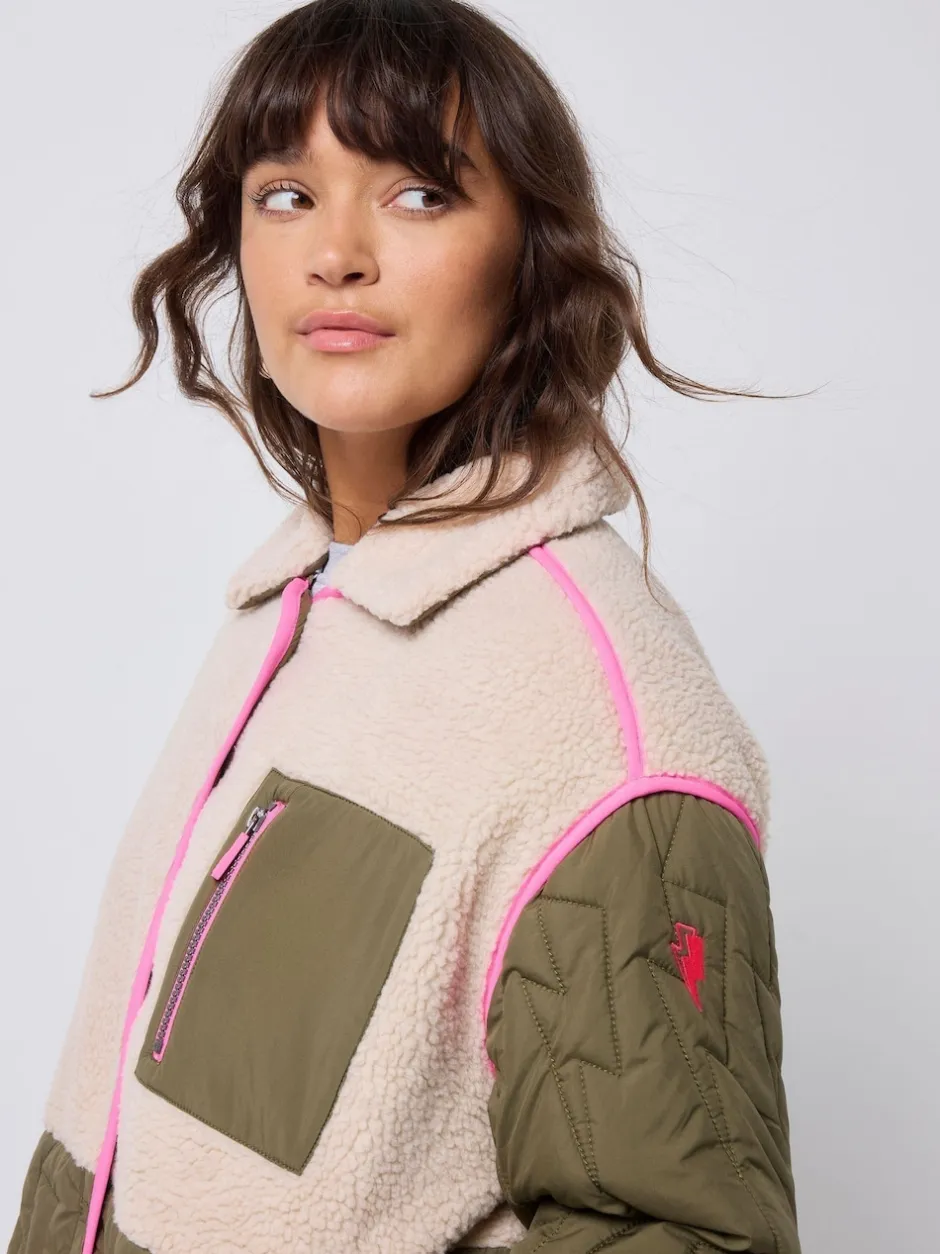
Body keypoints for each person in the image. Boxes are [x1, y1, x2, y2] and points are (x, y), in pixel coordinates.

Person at [6, 2, 805, 1252]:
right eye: (285, 195)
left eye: (420, 194)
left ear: (529, 252)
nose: (336, 253)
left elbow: (683, 1231)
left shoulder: (598, 712)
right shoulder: (296, 604)